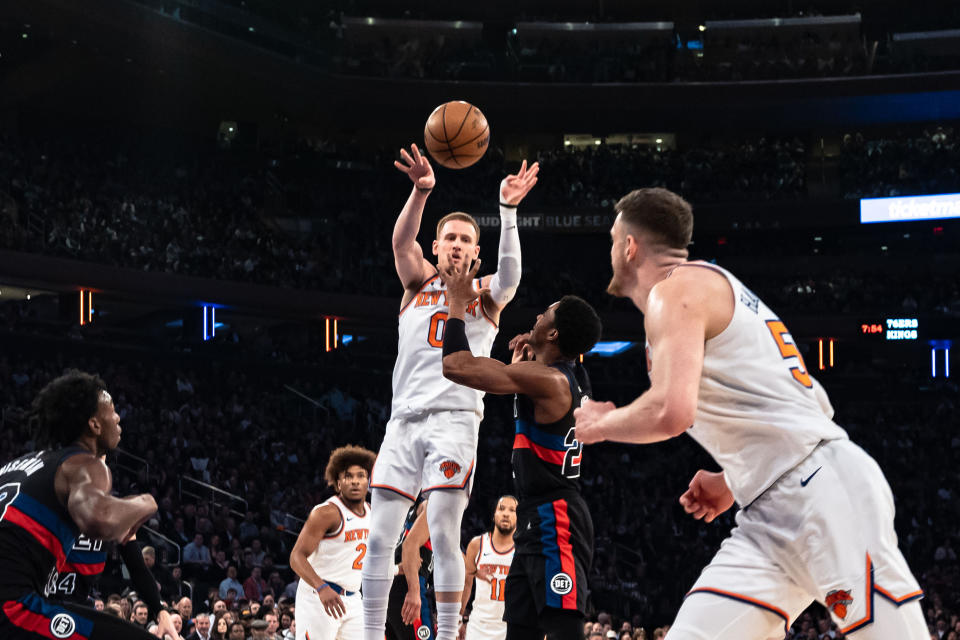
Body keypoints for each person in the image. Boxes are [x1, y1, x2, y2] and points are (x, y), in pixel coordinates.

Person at [572, 188, 927, 639]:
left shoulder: (675, 290)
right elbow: (813, 402)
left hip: (823, 493)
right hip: (769, 512)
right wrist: (731, 480)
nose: (611, 251)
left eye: (611, 240)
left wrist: (600, 424)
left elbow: (670, 410)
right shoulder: (704, 288)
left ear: (628, 246)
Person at [362, 144, 539, 640]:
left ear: (474, 252)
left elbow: (512, 276)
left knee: (442, 533)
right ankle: (370, 634)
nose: (457, 245)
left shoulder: (484, 294)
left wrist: (507, 211)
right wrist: (420, 192)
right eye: (449, 239)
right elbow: (400, 244)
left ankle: (445, 634)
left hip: (455, 419)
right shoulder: (416, 283)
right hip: (402, 420)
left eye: (465, 239)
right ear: (435, 248)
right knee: (379, 536)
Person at [441, 261, 602, 640]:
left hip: (555, 519)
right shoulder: (571, 373)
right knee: (519, 632)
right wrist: (536, 346)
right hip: (535, 517)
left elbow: (455, 366)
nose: (537, 314)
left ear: (555, 332)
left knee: (565, 632)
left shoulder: (548, 381)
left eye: (545, 313)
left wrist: (455, 305)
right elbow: (567, 351)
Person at [0, 370, 179, 639]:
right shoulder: (85, 465)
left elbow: (130, 549)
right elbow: (100, 521)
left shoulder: (21, 466)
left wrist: (159, 610)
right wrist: (147, 502)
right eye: (113, 411)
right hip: (13, 607)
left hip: (49, 600)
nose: (119, 418)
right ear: (94, 425)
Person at [290, 445, 376, 640]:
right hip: (318, 597)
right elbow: (296, 557)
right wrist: (321, 587)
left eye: (361, 475)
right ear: (338, 483)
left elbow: (362, 558)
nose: (355, 481)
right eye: (348, 476)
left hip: (353, 598)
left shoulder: (372, 512)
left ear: (368, 482)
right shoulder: (326, 513)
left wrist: (397, 568)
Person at [460, 496, 518, 640]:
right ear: (493, 515)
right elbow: (466, 585)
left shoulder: (522, 551)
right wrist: (458, 619)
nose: (506, 513)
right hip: (478, 628)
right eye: (501, 508)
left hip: (509, 629)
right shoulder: (477, 545)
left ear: (519, 517)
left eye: (512, 510)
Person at [390, 499, 434, 640]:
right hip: (410, 587)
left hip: (393, 589)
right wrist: (414, 591)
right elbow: (409, 545)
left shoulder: (404, 512)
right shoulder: (430, 504)